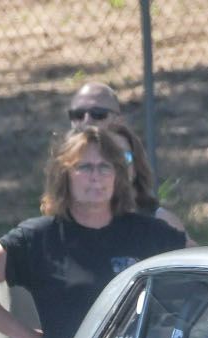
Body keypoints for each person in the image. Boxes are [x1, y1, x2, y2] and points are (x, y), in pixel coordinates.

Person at [0, 126, 186, 338]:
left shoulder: (149, 234)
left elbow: (207, 276)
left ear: (118, 176)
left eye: (104, 167)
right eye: (84, 167)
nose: (95, 177)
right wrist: (23, 336)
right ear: (64, 175)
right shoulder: (38, 237)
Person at [65, 82, 193, 240]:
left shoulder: (159, 226)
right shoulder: (49, 230)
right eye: (77, 115)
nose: (86, 122)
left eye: (98, 114)